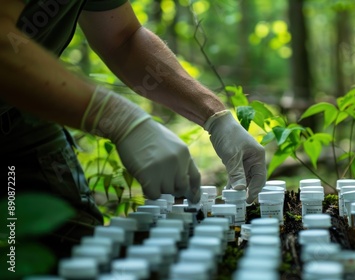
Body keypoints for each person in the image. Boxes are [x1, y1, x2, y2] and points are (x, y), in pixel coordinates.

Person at [0, 0, 266, 255]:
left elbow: (122, 38)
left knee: (72, 246)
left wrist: (216, 117)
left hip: (24, 118)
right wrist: (118, 118)